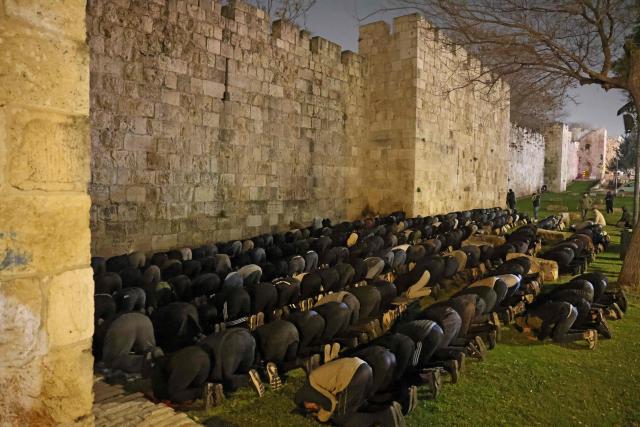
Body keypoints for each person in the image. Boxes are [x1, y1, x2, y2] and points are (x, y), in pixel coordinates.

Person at [294, 357, 406, 426]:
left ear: (305, 401)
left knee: (342, 418)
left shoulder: (311, 390)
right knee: (357, 406)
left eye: (310, 408)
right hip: (362, 368)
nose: (313, 408)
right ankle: (385, 408)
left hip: (355, 374)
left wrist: (320, 418)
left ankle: (381, 414)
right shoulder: (312, 382)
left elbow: (331, 403)